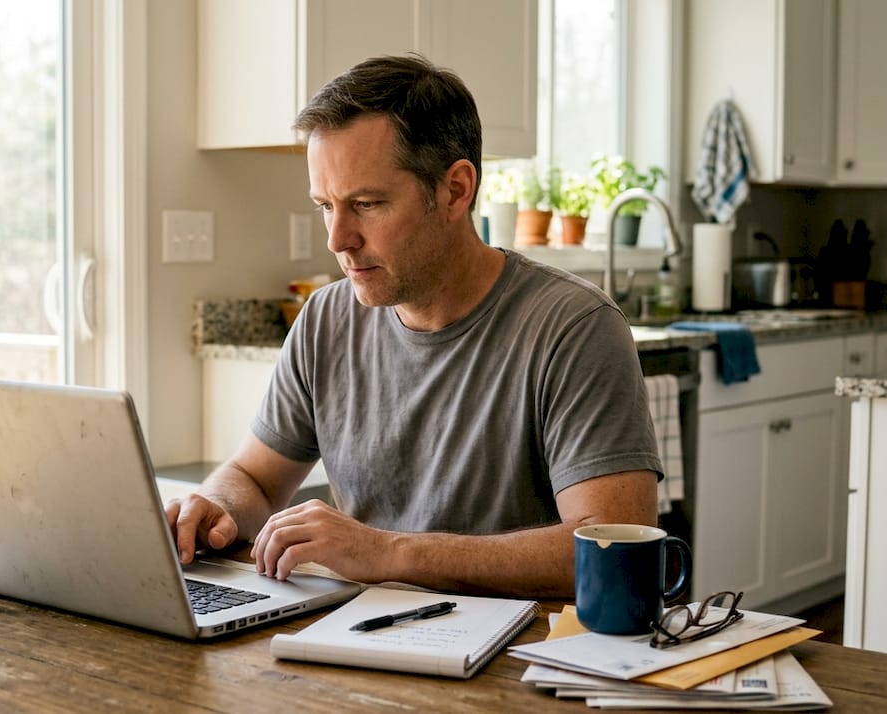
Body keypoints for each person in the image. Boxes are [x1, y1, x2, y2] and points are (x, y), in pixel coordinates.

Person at [167, 54, 661, 598]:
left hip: (518, 657)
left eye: (367, 204)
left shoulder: (574, 327)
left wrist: (385, 552)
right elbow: (255, 480)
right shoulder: (326, 320)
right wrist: (213, 506)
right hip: (354, 637)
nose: (338, 239)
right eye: (325, 206)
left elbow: (610, 550)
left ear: (455, 190)